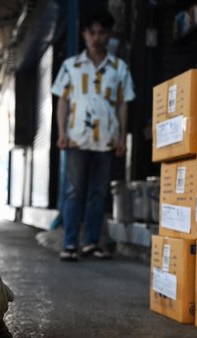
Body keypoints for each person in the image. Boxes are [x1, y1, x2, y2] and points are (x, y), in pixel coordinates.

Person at [51, 9, 135, 261]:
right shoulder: (71, 66)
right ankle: (69, 243)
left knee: (98, 192)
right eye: (92, 33)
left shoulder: (119, 68)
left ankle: (90, 243)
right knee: (74, 191)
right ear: (85, 35)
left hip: (106, 140)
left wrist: (122, 138)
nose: (96, 38)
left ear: (108, 35)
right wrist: (61, 132)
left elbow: (123, 104)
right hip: (77, 137)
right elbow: (63, 101)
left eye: (102, 33)